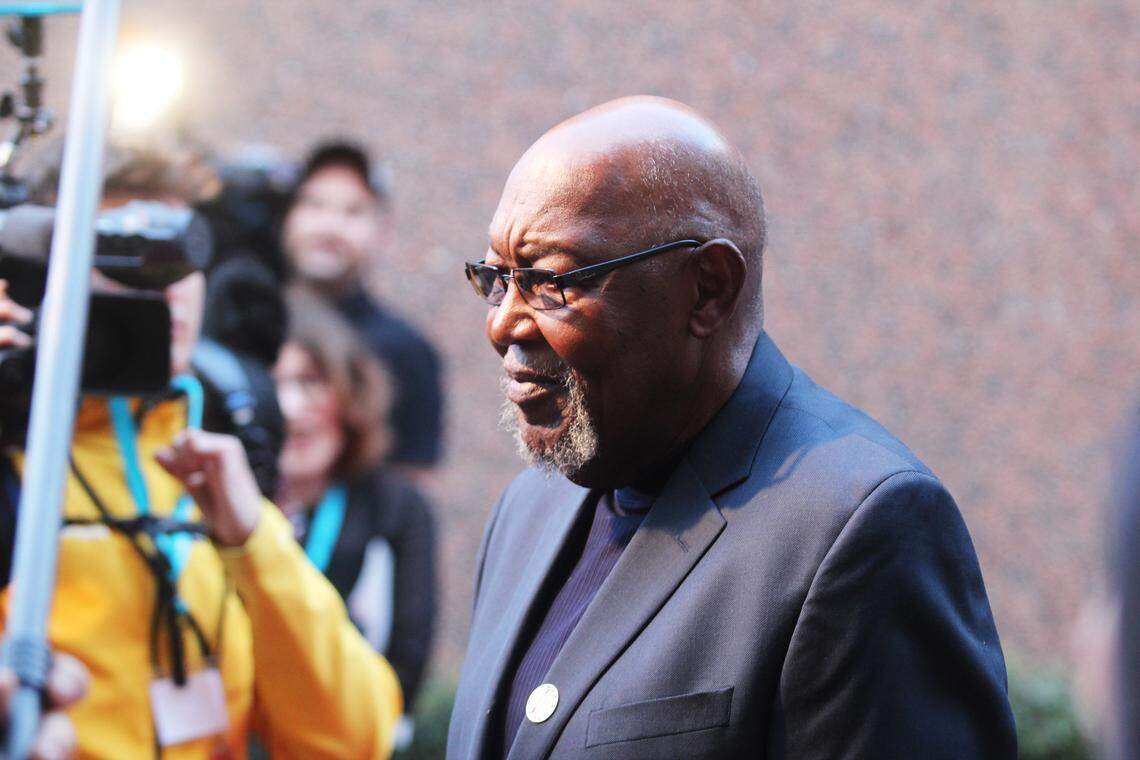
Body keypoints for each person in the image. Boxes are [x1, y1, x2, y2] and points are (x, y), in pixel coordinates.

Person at [449, 97, 1017, 759]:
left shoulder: (858, 528)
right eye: (496, 279)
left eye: (550, 282)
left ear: (708, 290)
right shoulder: (527, 511)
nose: (503, 325)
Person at [0, 145, 402, 758]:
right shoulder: (16, 456)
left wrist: (254, 543)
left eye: (177, 251)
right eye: (119, 251)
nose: (165, 285)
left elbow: (356, 738)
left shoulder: (213, 450)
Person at [273, 287, 437, 723]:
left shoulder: (395, 508)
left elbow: (407, 666)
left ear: (349, 393)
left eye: (310, 381)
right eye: (275, 383)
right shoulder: (225, 502)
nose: (292, 407)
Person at [281, 142, 443, 482]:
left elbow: (411, 487)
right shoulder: (244, 323)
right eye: (314, 204)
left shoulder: (408, 353)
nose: (329, 226)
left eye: (353, 212)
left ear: (383, 232)